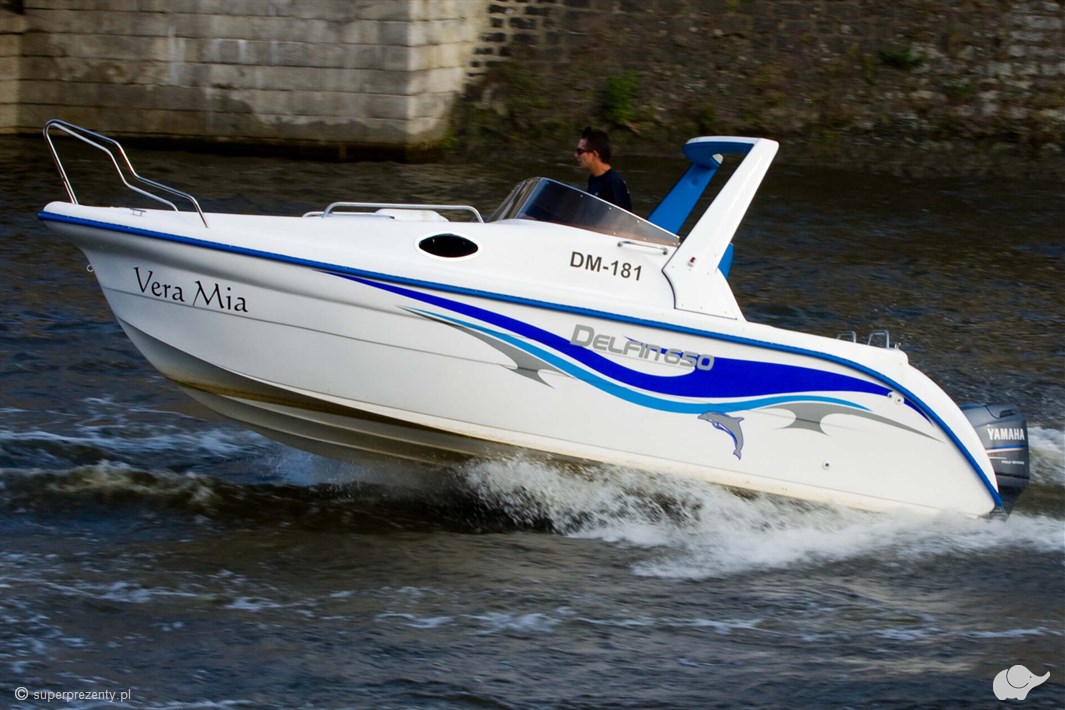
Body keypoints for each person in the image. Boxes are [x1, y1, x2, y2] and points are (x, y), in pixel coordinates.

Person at [574, 127, 632, 211]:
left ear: (595, 154)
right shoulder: (593, 178)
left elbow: (622, 217)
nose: (575, 155)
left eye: (580, 151)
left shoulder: (615, 183)